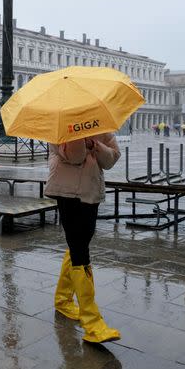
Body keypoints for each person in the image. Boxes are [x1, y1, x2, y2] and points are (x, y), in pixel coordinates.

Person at [46, 132, 121, 343]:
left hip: (91, 191)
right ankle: (92, 322)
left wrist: (95, 144)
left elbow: (111, 159)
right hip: (67, 192)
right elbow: (74, 156)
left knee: (80, 243)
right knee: (80, 250)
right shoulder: (60, 125)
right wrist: (79, 137)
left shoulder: (101, 126)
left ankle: (62, 299)